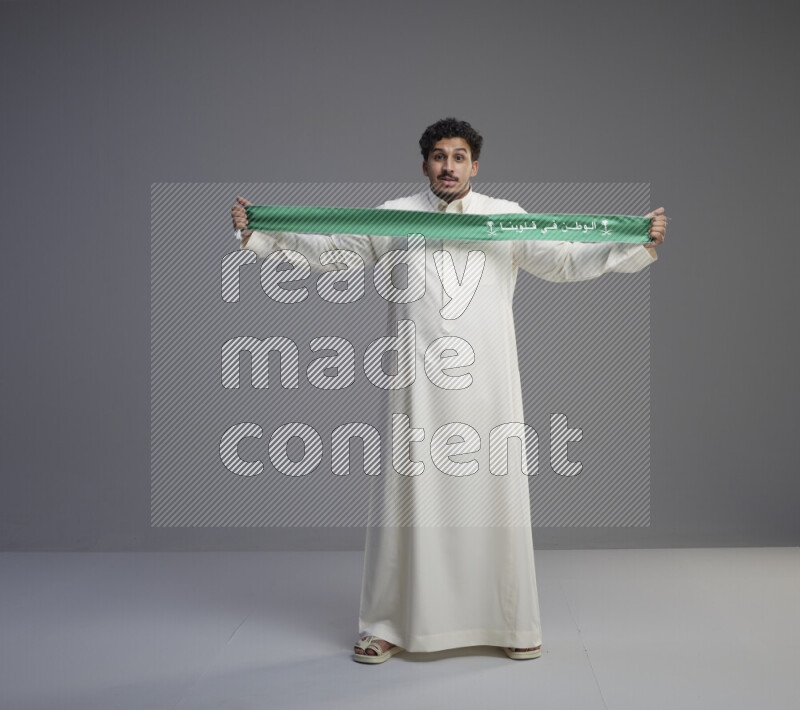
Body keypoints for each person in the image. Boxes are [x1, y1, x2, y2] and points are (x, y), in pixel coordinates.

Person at [231, 118, 666, 664]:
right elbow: (331, 249)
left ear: (474, 166)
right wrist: (261, 232)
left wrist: (634, 243)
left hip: (489, 384)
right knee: (404, 500)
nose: (448, 166)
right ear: (424, 165)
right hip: (414, 385)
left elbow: (561, 258)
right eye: (439, 156)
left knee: (493, 495)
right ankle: (386, 624)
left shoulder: (505, 219)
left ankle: (510, 622)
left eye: (459, 157)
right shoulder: (392, 218)